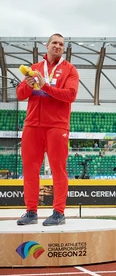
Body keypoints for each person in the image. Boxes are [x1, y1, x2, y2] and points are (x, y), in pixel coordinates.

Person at [16, 33, 79, 226]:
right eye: (55, 43)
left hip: (57, 125)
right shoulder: (35, 68)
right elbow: (19, 95)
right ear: (47, 45)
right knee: (30, 169)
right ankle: (31, 211)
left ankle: (59, 213)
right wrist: (28, 86)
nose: (58, 46)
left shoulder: (70, 70)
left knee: (58, 169)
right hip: (32, 125)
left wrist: (45, 86)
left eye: (61, 44)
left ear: (64, 48)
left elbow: (70, 95)